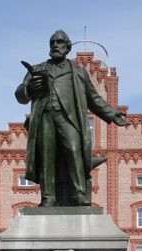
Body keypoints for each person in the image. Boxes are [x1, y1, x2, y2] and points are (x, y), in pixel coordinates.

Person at [15, 30, 128, 207]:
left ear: (67, 47)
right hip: (45, 117)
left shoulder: (78, 73)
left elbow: (93, 99)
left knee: (74, 150)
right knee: (46, 155)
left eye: (60, 42)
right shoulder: (37, 69)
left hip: (68, 118)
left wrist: (113, 113)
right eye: (52, 42)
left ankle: (78, 193)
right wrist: (29, 88)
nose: (55, 45)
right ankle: (48, 197)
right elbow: (20, 95)